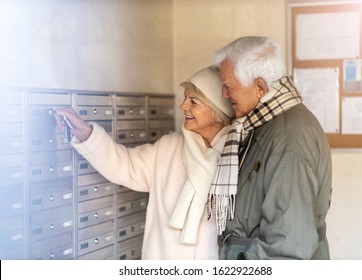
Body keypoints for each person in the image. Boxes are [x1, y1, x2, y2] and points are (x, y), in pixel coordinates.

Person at [55, 66, 234, 259]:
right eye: (185, 98)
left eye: (194, 101)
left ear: (217, 109)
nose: (183, 106)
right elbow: (124, 166)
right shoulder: (170, 147)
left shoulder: (237, 155)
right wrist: (86, 134)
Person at [207, 36, 332, 260]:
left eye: (228, 86)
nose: (224, 94)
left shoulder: (287, 137)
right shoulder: (266, 121)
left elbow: (286, 245)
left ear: (259, 87)